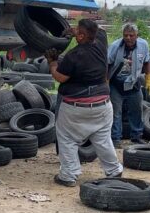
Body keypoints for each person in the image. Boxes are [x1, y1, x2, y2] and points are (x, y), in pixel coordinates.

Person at [46, 19, 124, 187]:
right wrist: (75, 32)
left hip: (76, 107)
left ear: (81, 36)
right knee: (102, 138)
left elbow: (60, 77)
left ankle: (68, 175)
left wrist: (52, 62)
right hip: (103, 104)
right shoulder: (101, 43)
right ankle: (114, 170)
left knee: (67, 139)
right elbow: (98, 30)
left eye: (78, 31)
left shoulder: (73, 55)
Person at [107, 23, 150, 146]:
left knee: (136, 110)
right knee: (115, 112)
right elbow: (107, 65)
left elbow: (147, 62)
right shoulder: (115, 46)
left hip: (133, 83)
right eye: (125, 35)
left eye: (131, 35)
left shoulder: (143, 45)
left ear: (136, 35)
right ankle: (115, 139)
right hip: (116, 83)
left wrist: (149, 78)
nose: (128, 38)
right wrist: (105, 83)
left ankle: (136, 137)